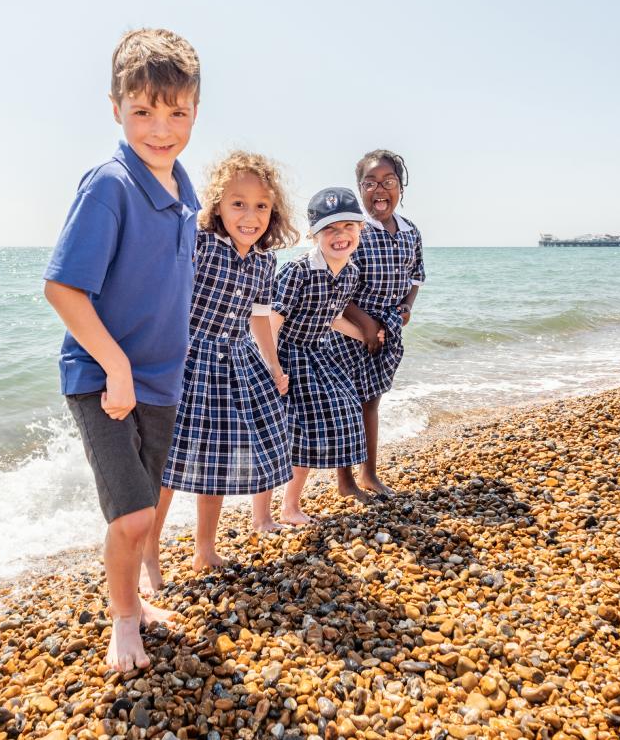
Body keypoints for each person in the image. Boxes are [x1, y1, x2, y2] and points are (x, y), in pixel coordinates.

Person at [43, 28, 201, 672]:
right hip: (104, 378)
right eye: (142, 111)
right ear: (116, 108)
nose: (159, 129)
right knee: (133, 514)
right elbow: (62, 289)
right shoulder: (110, 184)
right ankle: (124, 622)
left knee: (149, 504)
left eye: (176, 113)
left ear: (195, 111)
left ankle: (134, 599)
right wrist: (115, 367)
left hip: (162, 380)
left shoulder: (185, 193)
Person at [141, 151, 299, 584]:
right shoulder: (202, 243)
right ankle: (148, 552)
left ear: (274, 211)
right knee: (171, 464)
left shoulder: (266, 262)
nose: (250, 216)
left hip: (234, 363)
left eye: (261, 206)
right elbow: (165, 293)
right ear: (217, 206)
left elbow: (260, 318)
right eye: (238, 203)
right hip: (188, 361)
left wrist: (274, 365)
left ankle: (205, 550)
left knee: (218, 461)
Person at [271, 188, 383, 524]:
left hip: (318, 351)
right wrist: (271, 368)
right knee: (299, 433)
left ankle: (294, 503)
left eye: (349, 226)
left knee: (347, 408)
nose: (341, 236)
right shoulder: (298, 271)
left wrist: (364, 333)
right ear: (313, 234)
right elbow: (273, 322)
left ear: (361, 230)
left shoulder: (349, 273)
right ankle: (284, 509)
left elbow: (332, 317)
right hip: (288, 353)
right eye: (330, 229)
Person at [330, 149, 425, 496]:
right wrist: (365, 324)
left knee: (372, 400)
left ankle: (369, 473)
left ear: (400, 187)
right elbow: (336, 283)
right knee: (346, 402)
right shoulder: (353, 231)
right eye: (370, 183)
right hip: (348, 328)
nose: (379, 189)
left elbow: (416, 277)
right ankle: (345, 481)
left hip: (387, 333)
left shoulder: (410, 232)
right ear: (360, 188)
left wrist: (407, 308)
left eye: (388, 182)